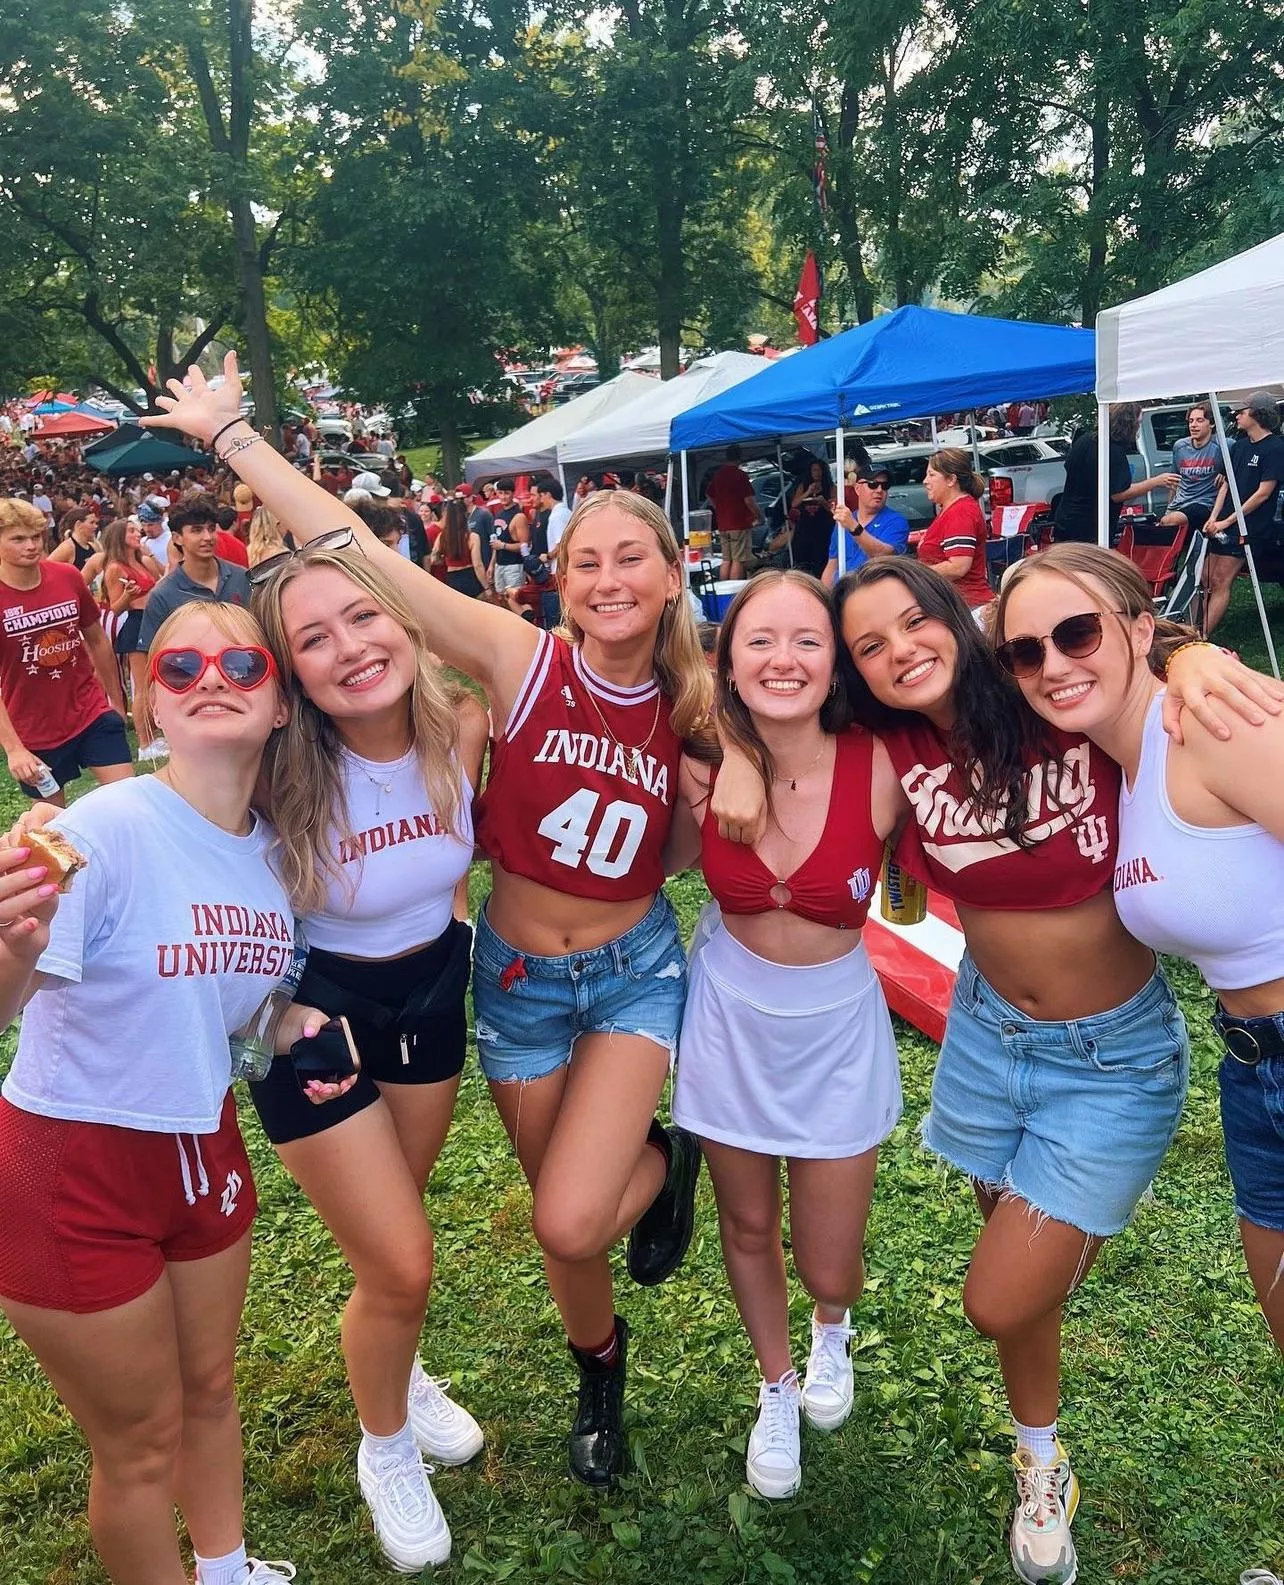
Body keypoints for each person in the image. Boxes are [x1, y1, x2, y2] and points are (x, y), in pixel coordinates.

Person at [143, 353, 711, 1495]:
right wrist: (234, 439)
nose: (608, 578)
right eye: (584, 559)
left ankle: (577, 1349)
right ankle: (491, 1367)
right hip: (508, 980)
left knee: (561, 1223)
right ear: (552, 577)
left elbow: (781, 752)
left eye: (630, 555)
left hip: (627, 969)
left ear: (674, 568)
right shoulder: (517, 662)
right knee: (497, 1235)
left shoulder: (697, 701)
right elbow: (358, 553)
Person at [713, 555, 1279, 1585]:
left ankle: (1041, 1415)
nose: (898, 654)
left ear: (956, 621)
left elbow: (1122, 662)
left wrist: (1191, 654)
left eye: (912, 626)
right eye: (869, 647)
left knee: (1001, 1297)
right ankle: (1042, 1459)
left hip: (1111, 1057)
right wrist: (740, 751)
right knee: (1025, 1296)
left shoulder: (1050, 698)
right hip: (983, 1041)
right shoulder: (890, 741)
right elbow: (748, 701)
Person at [0, 600, 323, 1585]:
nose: (210, 676)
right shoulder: (104, 827)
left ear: (278, 703)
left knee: (212, 1389)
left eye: (239, 659)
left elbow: (240, 1009)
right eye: (180, 665)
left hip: (203, 1143)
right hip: (74, 1165)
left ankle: (223, 1570)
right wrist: (7, 946)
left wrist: (291, 1025)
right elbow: (8, 998)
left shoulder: (279, 856)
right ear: (150, 702)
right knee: (140, 1440)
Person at [246, 543, 488, 1571]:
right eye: (313, 638)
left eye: (361, 617)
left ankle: (397, 1364)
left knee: (396, 1231)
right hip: (315, 1017)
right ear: (288, 673)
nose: (349, 648)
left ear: (403, 619)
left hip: (430, 991)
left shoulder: (462, 722)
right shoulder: (265, 768)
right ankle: (383, 1444)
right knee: (401, 1261)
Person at [995, 543, 1284, 1354]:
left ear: (1136, 629)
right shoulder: (1114, 759)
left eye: (1077, 633)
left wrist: (1194, 658)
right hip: (1252, 1068)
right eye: (1026, 651)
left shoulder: (1211, 723)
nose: (1051, 664)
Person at [666, 572, 902, 1501]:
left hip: (837, 1024)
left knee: (830, 1258)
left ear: (838, 658)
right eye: (759, 640)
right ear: (728, 658)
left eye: (808, 640)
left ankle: (831, 1327)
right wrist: (730, 747)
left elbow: (989, 673)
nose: (784, 660)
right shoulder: (698, 763)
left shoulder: (883, 759)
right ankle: (775, 1384)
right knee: (750, 1223)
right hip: (730, 1018)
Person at [0, 499, 131, 804]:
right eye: (18, 539)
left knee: (130, 802)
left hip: (89, 709)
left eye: (35, 537)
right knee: (52, 827)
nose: (30, 546)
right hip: (35, 728)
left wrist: (114, 699)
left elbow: (97, 639)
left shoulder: (66, 577)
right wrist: (14, 748)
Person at [1202, 392, 1284, 634]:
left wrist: (1227, 521)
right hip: (1223, 523)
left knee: (1220, 580)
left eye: (1243, 410)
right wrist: (1213, 518)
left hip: (1249, 526)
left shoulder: (1276, 448)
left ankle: (1200, 634)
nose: (1236, 415)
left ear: (1258, 414)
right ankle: (1186, 629)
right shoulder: (1239, 446)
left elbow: (1263, 493)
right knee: (1204, 579)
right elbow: (1226, 484)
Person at [1053, 405, 1178, 544]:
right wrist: (1156, 481)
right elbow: (1119, 494)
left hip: (1065, 519)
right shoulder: (1112, 450)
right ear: (1129, 423)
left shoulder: (1084, 440)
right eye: (1138, 422)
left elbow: (1069, 468)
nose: (1138, 428)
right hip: (1090, 526)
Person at [139, 499, 252, 649]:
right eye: (197, 530)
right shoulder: (163, 595)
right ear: (177, 538)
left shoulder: (241, 578)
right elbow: (149, 654)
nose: (208, 537)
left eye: (211, 529)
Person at [100, 517, 166, 763]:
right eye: (131, 531)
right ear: (119, 537)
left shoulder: (141, 561)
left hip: (153, 620)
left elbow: (162, 576)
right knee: (141, 685)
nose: (137, 533)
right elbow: (114, 609)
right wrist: (127, 595)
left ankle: (155, 731)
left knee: (155, 681)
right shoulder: (115, 568)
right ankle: (144, 742)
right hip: (135, 623)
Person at [915, 448, 993, 615]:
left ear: (951, 479)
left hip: (968, 608)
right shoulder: (951, 510)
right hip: (956, 606)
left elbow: (958, 566)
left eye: (931, 475)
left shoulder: (961, 512)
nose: (925, 481)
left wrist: (914, 573)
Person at [821, 465, 909, 586]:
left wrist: (853, 526)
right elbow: (832, 565)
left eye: (885, 486)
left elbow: (884, 556)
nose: (879, 490)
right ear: (857, 488)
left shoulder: (896, 521)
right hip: (842, 593)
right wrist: (824, 598)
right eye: (873, 484)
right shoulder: (844, 521)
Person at [1158, 401, 1224, 538]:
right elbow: (1174, 480)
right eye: (1191, 421)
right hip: (1180, 502)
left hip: (1204, 503)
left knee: (1172, 521)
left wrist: (1224, 473)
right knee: (1163, 528)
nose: (1193, 425)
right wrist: (1168, 507)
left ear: (1211, 424)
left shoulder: (1222, 445)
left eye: (1199, 420)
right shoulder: (1180, 446)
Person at [706, 445, 762, 580]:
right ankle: (733, 591)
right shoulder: (740, 475)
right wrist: (759, 516)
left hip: (723, 524)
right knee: (738, 560)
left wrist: (718, 507)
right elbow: (749, 501)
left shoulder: (718, 475)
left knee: (726, 559)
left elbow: (708, 494)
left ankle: (723, 587)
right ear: (740, 457)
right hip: (739, 523)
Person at [429, 495, 490, 599]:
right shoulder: (472, 537)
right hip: (470, 578)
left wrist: (445, 559)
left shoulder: (442, 536)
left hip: (452, 578)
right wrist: (487, 587)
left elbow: (433, 559)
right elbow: (478, 564)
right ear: (465, 515)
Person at [488, 479, 529, 599]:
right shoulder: (499, 514)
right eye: (500, 493)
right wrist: (492, 564)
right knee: (502, 599)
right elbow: (496, 542)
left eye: (506, 493)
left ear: (512, 493)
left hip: (514, 565)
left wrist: (503, 546)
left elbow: (524, 546)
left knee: (515, 599)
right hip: (499, 564)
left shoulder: (518, 515)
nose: (503, 496)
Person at [49, 506, 101, 572]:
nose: (96, 526)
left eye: (96, 523)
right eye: (91, 523)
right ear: (78, 524)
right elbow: (46, 568)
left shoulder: (93, 546)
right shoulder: (68, 547)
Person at [539, 479, 573, 556]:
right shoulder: (566, 512)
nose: (541, 500)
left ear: (548, 494)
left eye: (541, 496)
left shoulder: (558, 515)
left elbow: (562, 545)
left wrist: (548, 557)